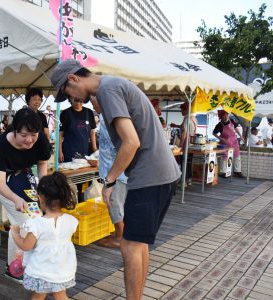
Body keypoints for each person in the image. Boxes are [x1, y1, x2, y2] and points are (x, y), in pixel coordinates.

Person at [50, 59, 181, 299]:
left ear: (73, 78)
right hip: (160, 173)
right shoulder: (112, 84)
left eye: (67, 92)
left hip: (149, 175)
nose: (72, 98)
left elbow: (131, 142)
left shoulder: (107, 89)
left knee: (129, 245)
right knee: (138, 244)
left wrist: (109, 182)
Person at [0, 107, 51, 280]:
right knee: (22, 220)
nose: (29, 140)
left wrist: (42, 191)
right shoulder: (2, 145)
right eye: (24, 136)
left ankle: (29, 261)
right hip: (4, 177)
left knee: (36, 215)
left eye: (33, 135)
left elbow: (41, 165)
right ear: (15, 131)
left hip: (23, 172)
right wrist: (15, 198)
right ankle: (14, 267)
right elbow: (0, 183)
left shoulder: (40, 140)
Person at [11, 172, 78, 300]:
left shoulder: (37, 224)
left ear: (40, 198)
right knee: (61, 295)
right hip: (62, 269)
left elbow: (26, 246)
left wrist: (15, 233)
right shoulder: (71, 221)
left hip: (42, 270)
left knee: (37, 297)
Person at [97, 113, 127, 248]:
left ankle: (120, 236)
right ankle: (118, 233)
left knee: (114, 203)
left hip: (115, 170)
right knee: (114, 202)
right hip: (111, 169)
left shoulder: (111, 115)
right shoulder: (105, 115)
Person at [59, 98, 97, 163]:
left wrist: (94, 149)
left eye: (81, 101)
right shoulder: (65, 113)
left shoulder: (89, 112)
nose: (78, 103)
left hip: (85, 151)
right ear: (70, 99)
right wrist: (59, 152)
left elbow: (92, 132)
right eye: (76, 101)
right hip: (69, 152)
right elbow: (60, 135)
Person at [171, 102, 198, 186]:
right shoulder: (194, 118)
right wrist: (176, 125)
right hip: (192, 143)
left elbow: (184, 133)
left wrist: (180, 146)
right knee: (189, 162)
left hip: (186, 143)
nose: (181, 112)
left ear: (186, 110)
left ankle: (183, 181)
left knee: (184, 162)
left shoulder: (186, 119)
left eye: (182, 110)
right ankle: (189, 180)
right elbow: (186, 128)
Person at [213, 110, 244, 178]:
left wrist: (241, 136)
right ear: (221, 117)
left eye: (226, 114)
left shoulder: (231, 120)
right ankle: (222, 172)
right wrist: (221, 139)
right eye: (223, 115)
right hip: (225, 142)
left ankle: (237, 171)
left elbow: (235, 128)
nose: (225, 116)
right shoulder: (219, 125)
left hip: (234, 141)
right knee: (225, 156)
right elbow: (214, 133)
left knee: (237, 155)